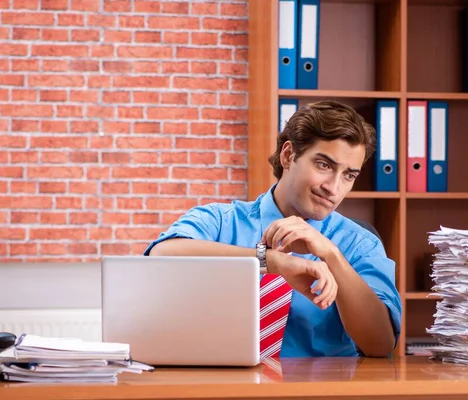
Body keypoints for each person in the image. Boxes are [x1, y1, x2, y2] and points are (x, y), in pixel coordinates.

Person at [144, 100, 402, 358]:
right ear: (288, 155)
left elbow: (379, 345)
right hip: (222, 386)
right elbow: (161, 256)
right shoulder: (220, 221)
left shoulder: (359, 244)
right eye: (324, 165)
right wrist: (269, 261)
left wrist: (332, 256)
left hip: (318, 391)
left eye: (348, 175)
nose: (334, 188)